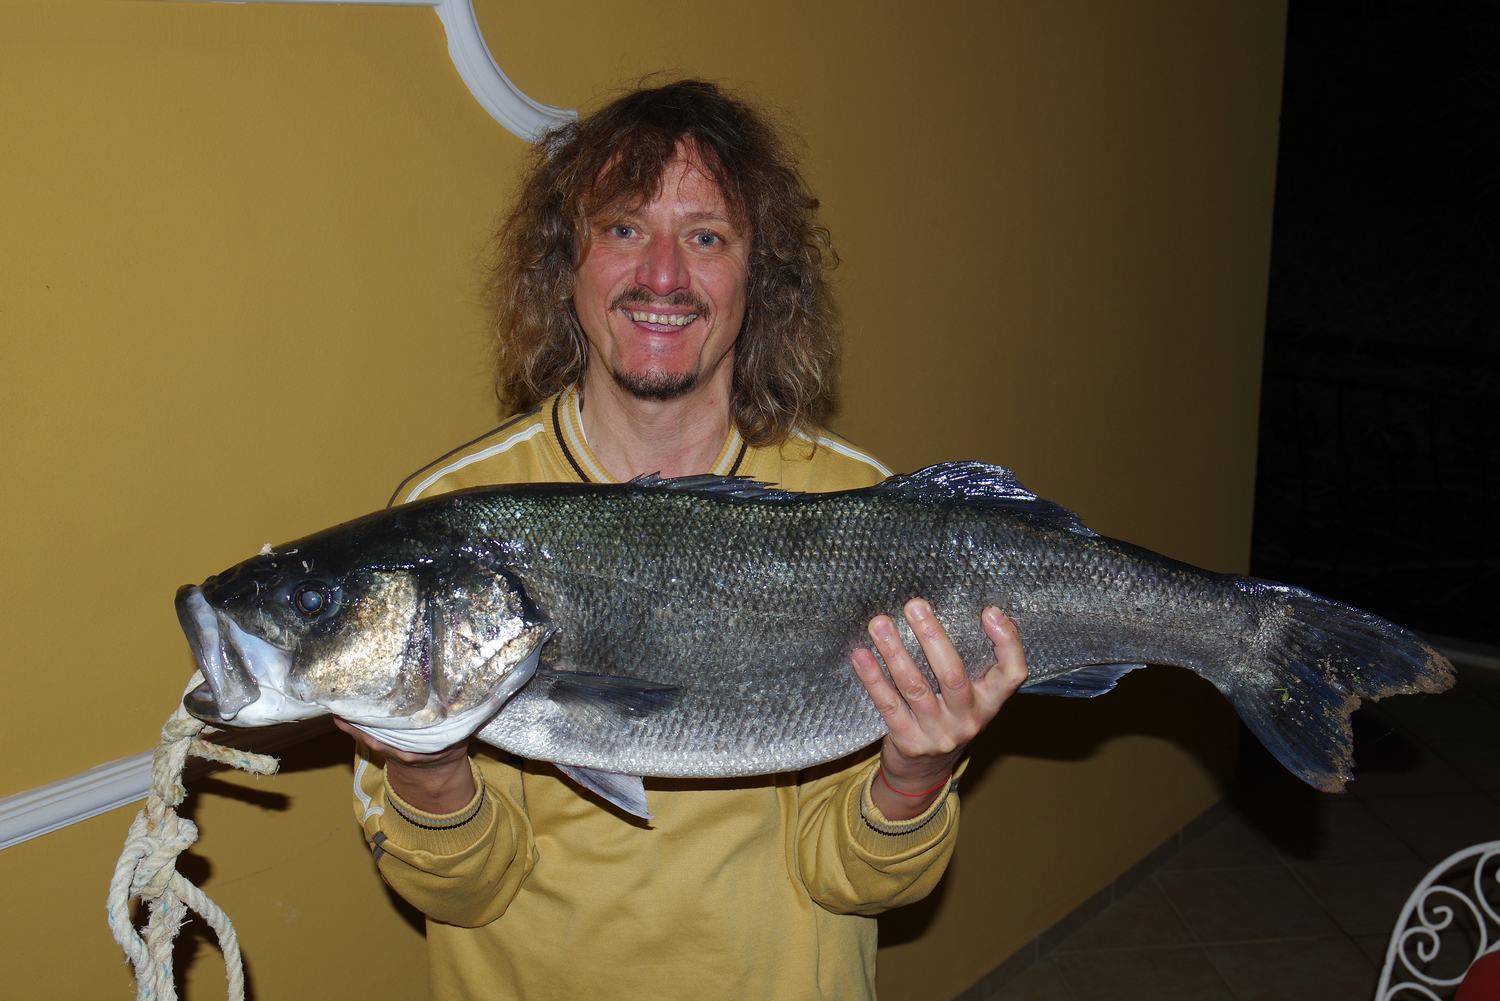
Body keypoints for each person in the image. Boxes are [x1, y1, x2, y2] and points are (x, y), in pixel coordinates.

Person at [336, 79, 1029, 1001]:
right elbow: (462, 892)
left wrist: (916, 772)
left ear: (758, 277)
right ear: (565, 263)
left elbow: (860, 883)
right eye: (624, 229)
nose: (662, 277)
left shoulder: (859, 512)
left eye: (706, 238)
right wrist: (426, 775)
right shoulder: (449, 524)